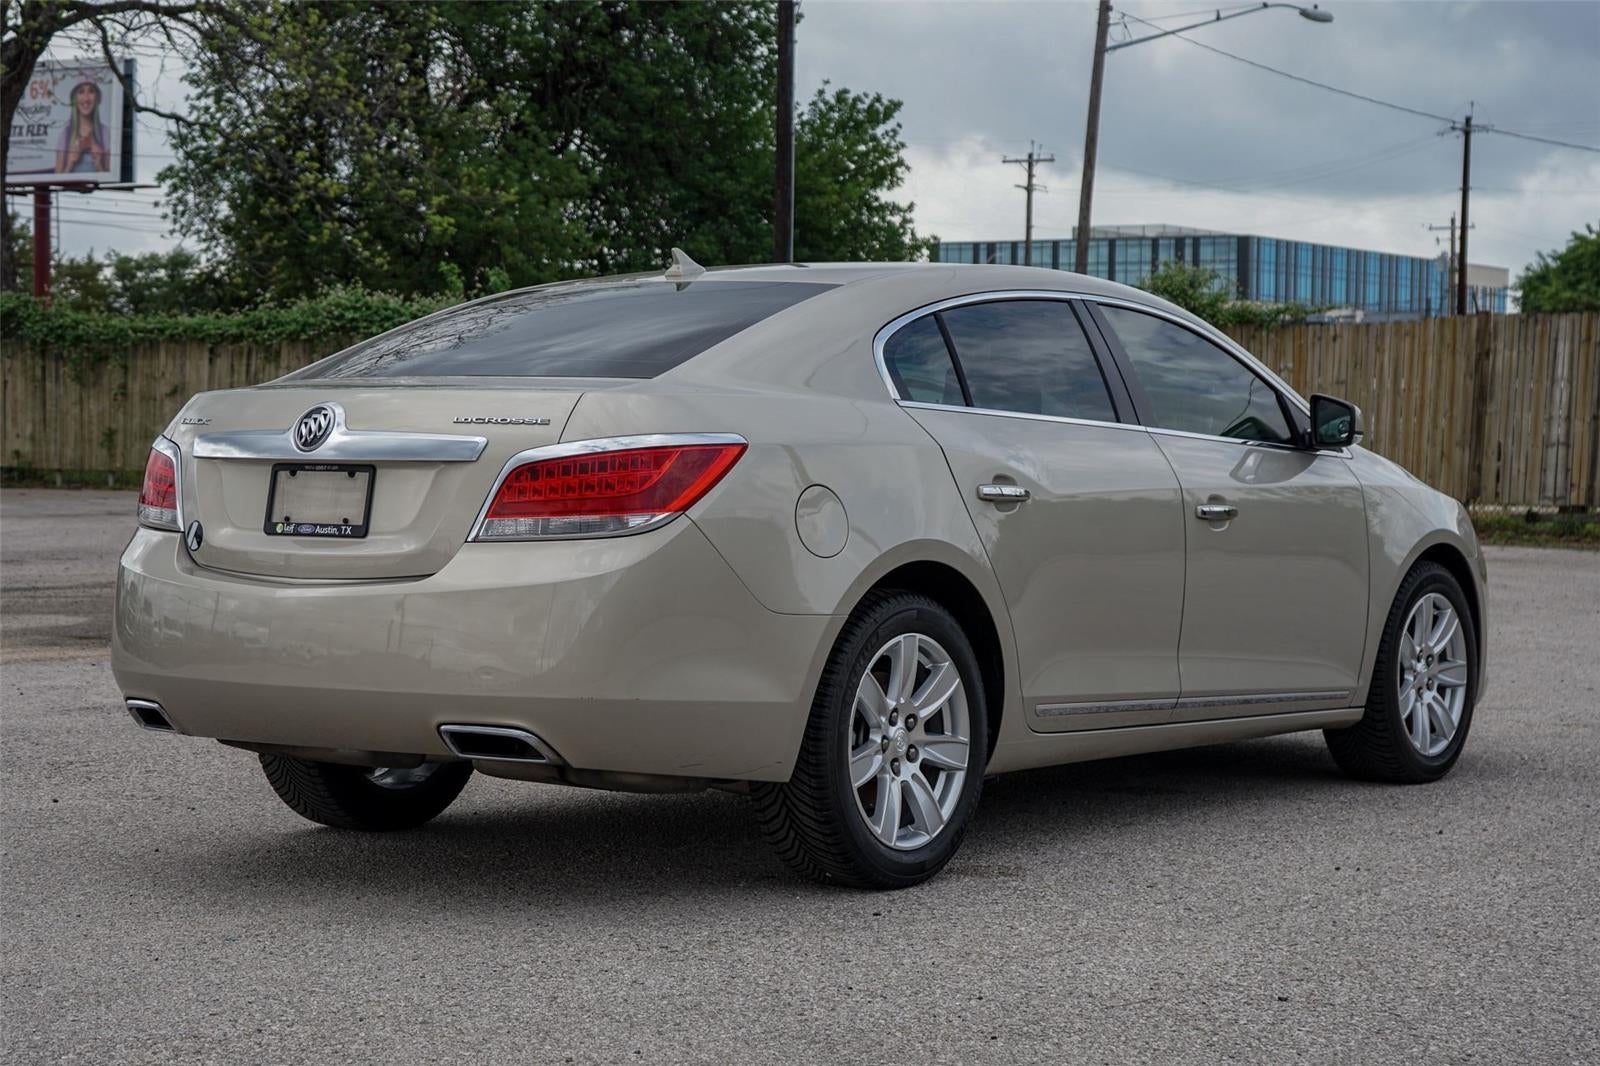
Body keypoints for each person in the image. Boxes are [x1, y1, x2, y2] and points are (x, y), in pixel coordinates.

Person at [55, 81, 110, 174]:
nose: (86, 98)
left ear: (97, 98)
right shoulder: (65, 135)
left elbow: (110, 182)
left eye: (91, 91)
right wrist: (70, 163)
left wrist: (99, 165)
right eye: (81, 92)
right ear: (74, 99)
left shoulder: (104, 133)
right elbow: (56, 182)